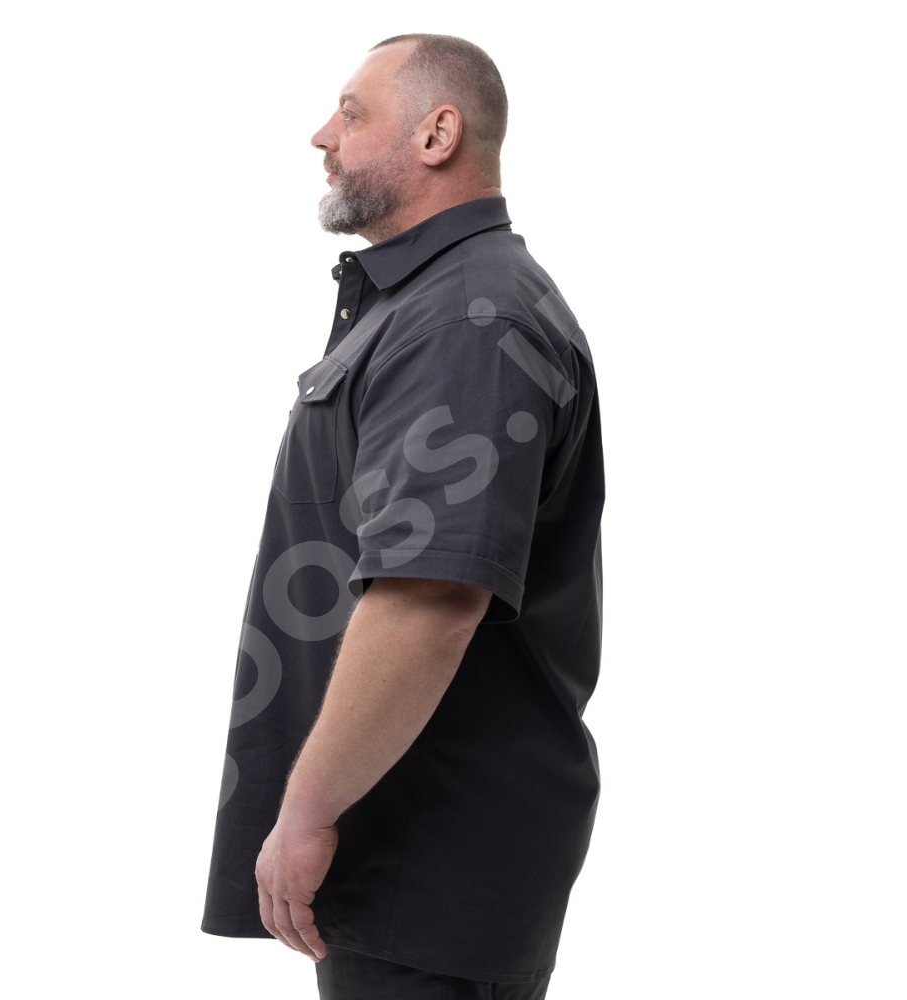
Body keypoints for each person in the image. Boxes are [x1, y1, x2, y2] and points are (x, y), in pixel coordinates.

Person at [200, 33, 605, 1000]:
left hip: (428, 862)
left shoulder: (469, 319)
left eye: (351, 113)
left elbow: (430, 599)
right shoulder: (435, 304)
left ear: (437, 134)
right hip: (405, 858)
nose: (321, 135)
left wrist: (306, 812)